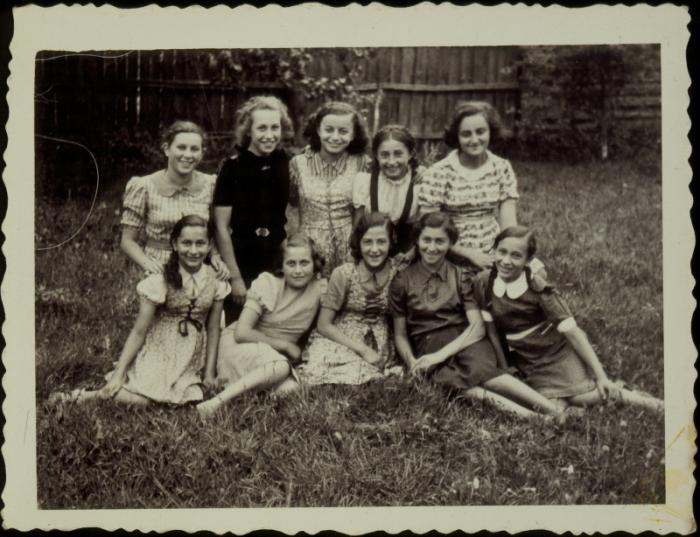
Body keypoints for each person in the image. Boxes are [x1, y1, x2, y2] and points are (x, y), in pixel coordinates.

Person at [389, 212, 563, 418]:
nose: (432, 247)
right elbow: (400, 334)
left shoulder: (460, 276)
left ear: (450, 243)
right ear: (417, 240)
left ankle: (553, 410)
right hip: (428, 345)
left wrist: (440, 355)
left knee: (488, 376)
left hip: (466, 340)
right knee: (465, 391)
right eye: (426, 240)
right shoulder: (402, 281)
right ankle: (538, 419)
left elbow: (477, 327)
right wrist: (413, 363)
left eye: (440, 241)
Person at [472, 226, 664, 412]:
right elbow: (492, 331)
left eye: (516, 256)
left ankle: (639, 400)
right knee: (541, 403)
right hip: (525, 359)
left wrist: (602, 377)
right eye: (501, 252)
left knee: (584, 397)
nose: (506, 261)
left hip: (555, 353)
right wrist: (505, 368)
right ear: (493, 251)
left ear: (528, 260)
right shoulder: (484, 282)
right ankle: (566, 405)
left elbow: (574, 334)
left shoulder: (539, 290)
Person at [50, 215, 229, 406]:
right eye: (186, 243)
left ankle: (101, 396)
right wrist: (118, 374)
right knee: (151, 397)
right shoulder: (161, 280)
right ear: (175, 245)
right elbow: (139, 330)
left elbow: (212, 329)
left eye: (200, 243)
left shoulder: (215, 280)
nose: (193, 251)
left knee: (180, 399)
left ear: (209, 246)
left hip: (192, 354)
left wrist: (209, 374)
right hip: (160, 348)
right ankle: (84, 397)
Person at [196, 233, 327, 416]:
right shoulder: (269, 284)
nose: (298, 270)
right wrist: (286, 345)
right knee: (281, 367)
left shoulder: (320, 289)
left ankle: (248, 401)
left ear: (315, 265)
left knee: (291, 388)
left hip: (270, 356)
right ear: (281, 265)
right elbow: (242, 332)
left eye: (304, 263)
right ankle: (215, 404)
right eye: (291, 263)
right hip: (240, 345)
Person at [418, 101, 530, 272]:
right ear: (457, 137)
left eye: (480, 132)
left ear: (490, 132)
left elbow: (509, 226)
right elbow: (429, 230)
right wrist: (470, 254)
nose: (474, 140)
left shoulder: (501, 167)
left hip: (493, 250)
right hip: (448, 251)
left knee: (536, 275)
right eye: (466, 134)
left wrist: (511, 253)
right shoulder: (439, 172)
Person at [213, 96, 295, 324]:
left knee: (271, 320)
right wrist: (236, 278)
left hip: (273, 257)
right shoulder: (232, 168)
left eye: (275, 127)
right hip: (241, 259)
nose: (269, 135)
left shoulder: (282, 162)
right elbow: (221, 226)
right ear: (248, 131)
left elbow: (279, 220)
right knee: (239, 324)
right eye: (261, 128)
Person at [298, 212, 406, 385]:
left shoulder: (397, 273)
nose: (374, 249)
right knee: (328, 369)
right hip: (343, 338)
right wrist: (362, 350)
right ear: (358, 242)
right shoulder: (344, 274)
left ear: (391, 242)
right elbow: (323, 325)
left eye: (381, 242)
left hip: (379, 341)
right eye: (368, 242)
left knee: (369, 374)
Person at [120, 120, 228, 278]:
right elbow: (127, 241)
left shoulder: (211, 185)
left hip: (200, 264)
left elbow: (218, 229)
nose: (188, 155)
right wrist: (147, 263)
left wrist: (216, 256)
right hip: (159, 267)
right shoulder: (144, 187)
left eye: (194, 149)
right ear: (166, 149)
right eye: (181, 147)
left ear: (202, 153)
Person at [289, 101, 370, 278]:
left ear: (353, 134)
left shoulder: (361, 163)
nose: (335, 137)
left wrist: (416, 173)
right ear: (318, 130)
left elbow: (390, 175)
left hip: (349, 249)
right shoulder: (298, 164)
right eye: (329, 129)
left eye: (343, 131)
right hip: (309, 249)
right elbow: (290, 205)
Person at [352, 124, 424, 252]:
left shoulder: (420, 181)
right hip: (373, 249)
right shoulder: (365, 182)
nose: (391, 162)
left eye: (398, 154)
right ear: (376, 155)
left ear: (410, 154)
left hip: (408, 251)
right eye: (384, 155)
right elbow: (357, 227)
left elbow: (423, 226)